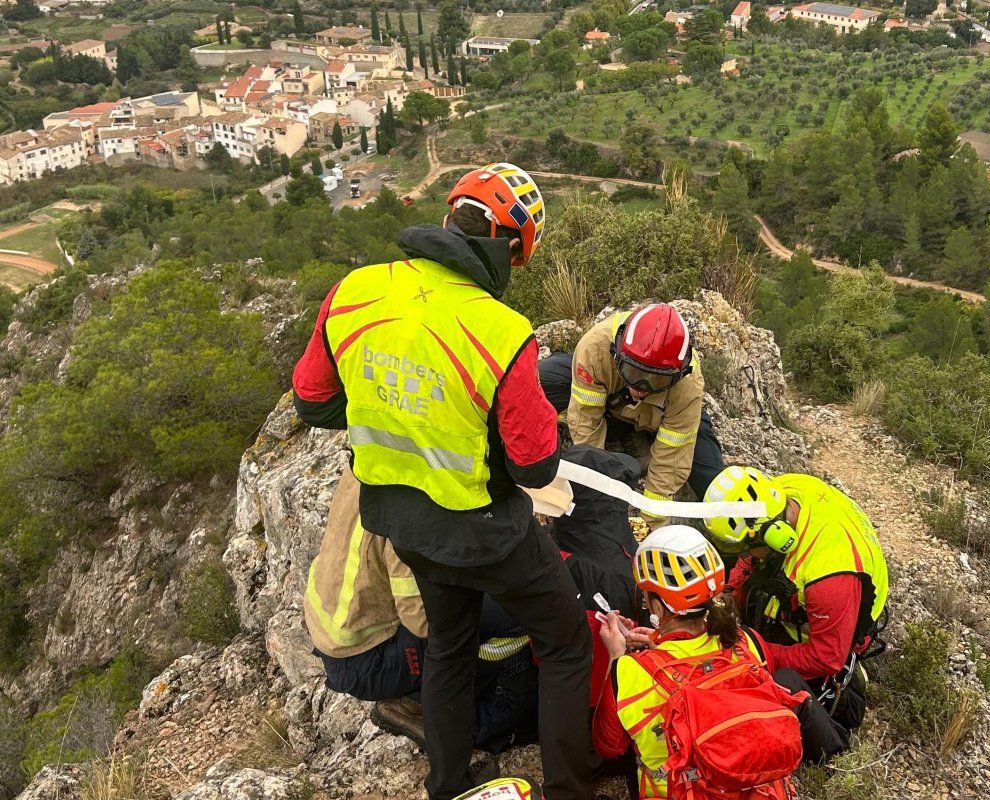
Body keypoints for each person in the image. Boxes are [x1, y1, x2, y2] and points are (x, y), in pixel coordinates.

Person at [291, 162, 593, 800]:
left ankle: (447, 787)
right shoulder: (503, 333)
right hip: (487, 533)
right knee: (565, 641)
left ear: (450, 216)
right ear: (510, 247)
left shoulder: (355, 291)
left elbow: (313, 401)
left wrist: (392, 410)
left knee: (449, 647)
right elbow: (535, 465)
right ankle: (570, 792)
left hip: (404, 526)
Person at [303, 469, 538, 758]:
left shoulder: (371, 460)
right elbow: (425, 620)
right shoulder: (409, 509)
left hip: (337, 629)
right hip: (368, 657)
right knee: (519, 613)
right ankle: (423, 707)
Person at [591, 526, 833, 800]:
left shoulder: (629, 672)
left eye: (646, 596)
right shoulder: (745, 640)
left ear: (657, 606)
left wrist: (615, 658)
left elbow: (608, 746)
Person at [703, 465, 890, 736]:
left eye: (747, 548)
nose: (743, 555)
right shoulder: (782, 492)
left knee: (780, 683)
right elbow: (748, 558)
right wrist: (730, 595)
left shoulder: (828, 575)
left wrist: (755, 650)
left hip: (834, 627)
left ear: (776, 536)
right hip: (814, 585)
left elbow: (825, 657)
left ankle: (848, 680)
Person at [538, 304, 724, 529]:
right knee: (544, 379)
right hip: (613, 404)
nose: (641, 388)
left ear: (677, 375)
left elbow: (672, 459)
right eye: (634, 373)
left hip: (656, 419)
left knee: (709, 475)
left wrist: (653, 524)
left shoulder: (687, 385)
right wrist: (596, 492)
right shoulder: (595, 348)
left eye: (656, 380)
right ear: (617, 353)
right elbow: (586, 424)